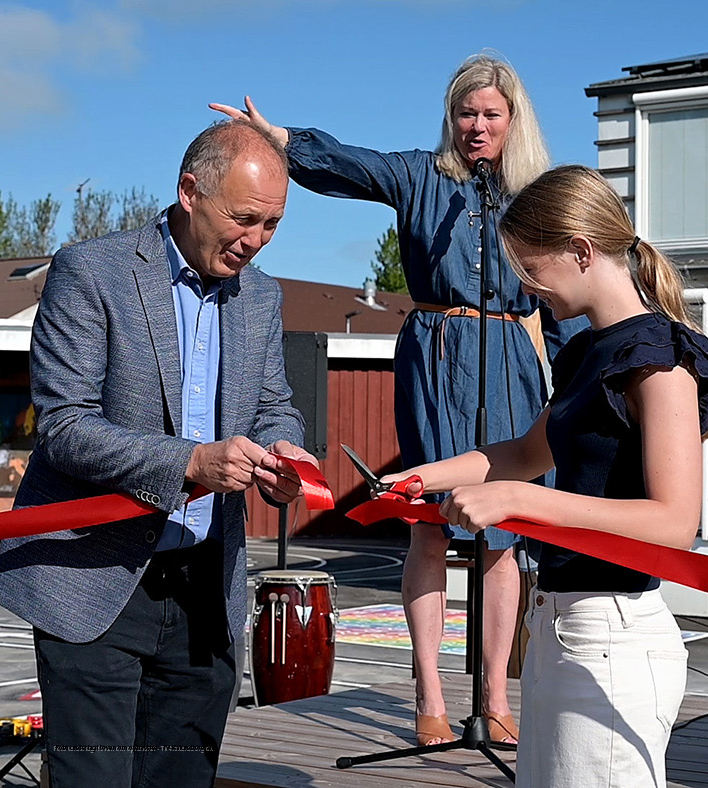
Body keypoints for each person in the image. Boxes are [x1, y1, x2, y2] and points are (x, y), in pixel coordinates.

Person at [212, 53, 583, 748]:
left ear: (513, 119)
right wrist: (281, 139)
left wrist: (581, 379)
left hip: (508, 356)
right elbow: (353, 166)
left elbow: (567, 295)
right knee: (430, 524)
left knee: (504, 534)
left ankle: (496, 694)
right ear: (452, 117)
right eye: (466, 113)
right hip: (437, 356)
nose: (477, 126)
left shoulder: (538, 196)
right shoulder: (420, 174)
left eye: (491, 115)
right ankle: (431, 694)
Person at [0, 120, 316, 788]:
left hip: (204, 590)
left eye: (274, 225)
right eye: (245, 218)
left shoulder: (262, 296)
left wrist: (287, 453)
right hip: (94, 582)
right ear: (190, 191)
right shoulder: (90, 272)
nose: (255, 242)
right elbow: (65, 426)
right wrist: (190, 464)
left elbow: (275, 404)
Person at [382, 165, 708, 788]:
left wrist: (524, 503)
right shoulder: (584, 351)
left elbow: (676, 522)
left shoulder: (659, 356)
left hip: (613, 639)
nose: (525, 288)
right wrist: (422, 477)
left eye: (530, 270)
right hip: (556, 628)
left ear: (579, 250)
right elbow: (522, 453)